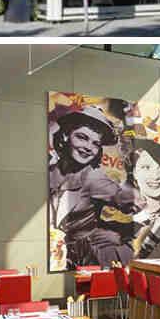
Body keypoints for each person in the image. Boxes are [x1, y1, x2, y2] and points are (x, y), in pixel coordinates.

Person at [48, 104, 144, 269]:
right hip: (52, 259)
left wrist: (121, 235)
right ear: (65, 135)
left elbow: (141, 204)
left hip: (84, 263)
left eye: (95, 143)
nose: (88, 147)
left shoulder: (94, 179)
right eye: (82, 137)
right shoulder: (47, 172)